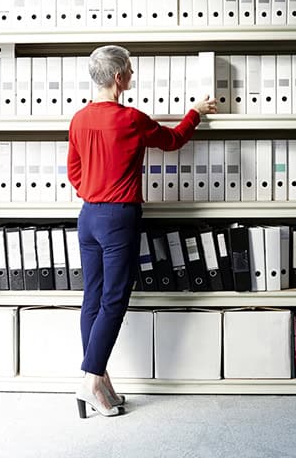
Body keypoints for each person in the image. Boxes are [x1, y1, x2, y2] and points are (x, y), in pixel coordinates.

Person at [67, 45, 217, 418]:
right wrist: (195, 113)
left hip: (88, 216)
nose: (132, 75)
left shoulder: (79, 119)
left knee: (92, 298)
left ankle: (98, 379)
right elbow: (173, 140)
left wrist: (93, 192)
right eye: (130, 70)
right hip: (119, 217)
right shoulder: (131, 119)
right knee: (114, 301)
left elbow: (74, 171)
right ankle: (90, 381)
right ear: (119, 77)